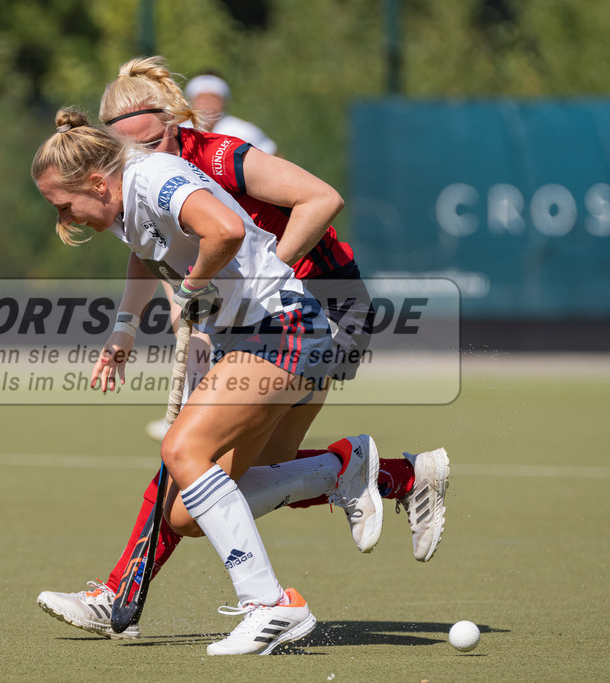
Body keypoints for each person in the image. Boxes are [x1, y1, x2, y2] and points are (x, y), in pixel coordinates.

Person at [36, 56, 450, 640]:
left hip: (319, 306)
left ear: (163, 121)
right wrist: (131, 326)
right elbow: (149, 245)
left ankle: (131, 595)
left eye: (137, 137)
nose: (126, 149)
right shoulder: (136, 182)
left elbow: (317, 201)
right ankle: (374, 472)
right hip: (253, 319)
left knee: (186, 454)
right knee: (195, 503)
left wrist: (237, 284)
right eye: (114, 141)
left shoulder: (216, 157)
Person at [183, 70, 278, 155]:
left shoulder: (245, 132)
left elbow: (276, 160)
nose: (208, 107)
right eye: (202, 101)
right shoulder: (180, 132)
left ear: (224, 103)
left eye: (214, 100)